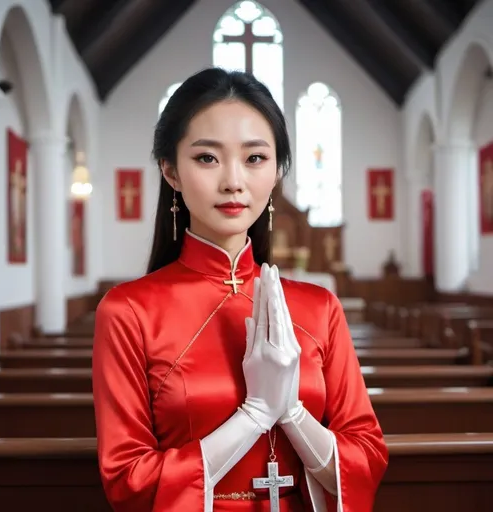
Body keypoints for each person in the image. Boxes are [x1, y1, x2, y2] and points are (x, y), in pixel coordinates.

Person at [92, 68, 388, 512]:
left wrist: (292, 413)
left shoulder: (321, 308)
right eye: (207, 158)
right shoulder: (128, 311)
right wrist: (252, 417)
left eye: (254, 159)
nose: (233, 181)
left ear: (276, 171)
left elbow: (365, 457)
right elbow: (128, 480)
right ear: (170, 171)